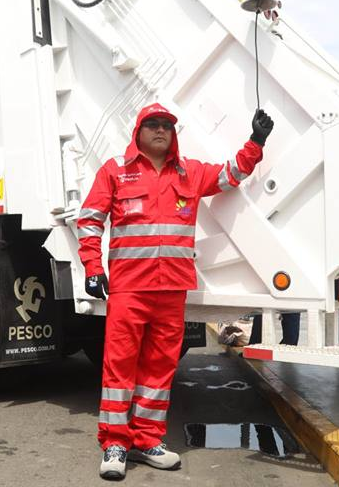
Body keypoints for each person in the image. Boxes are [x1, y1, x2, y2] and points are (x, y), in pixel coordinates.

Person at [77, 103, 274, 480]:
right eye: (152, 124)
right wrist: (91, 267)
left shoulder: (190, 172)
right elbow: (90, 220)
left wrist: (256, 141)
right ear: (138, 131)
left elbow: (230, 174)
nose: (160, 130)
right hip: (129, 289)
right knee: (120, 366)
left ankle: (148, 440)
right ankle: (115, 444)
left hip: (171, 291)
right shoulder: (116, 171)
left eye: (167, 125)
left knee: (160, 368)